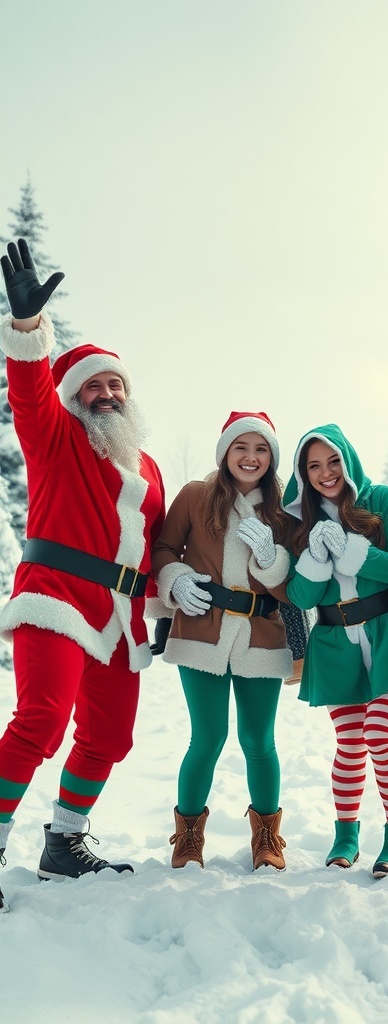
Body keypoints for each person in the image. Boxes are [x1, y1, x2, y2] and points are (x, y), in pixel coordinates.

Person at [0, 239, 165, 913]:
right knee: (41, 718)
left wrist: (169, 593)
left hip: (119, 617)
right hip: (56, 599)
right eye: (93, 386)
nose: (106, 393)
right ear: (76, 398)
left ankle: (64, 843)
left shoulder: (148, 468)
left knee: (109, 739)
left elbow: (151, 549)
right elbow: (31, 395)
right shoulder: (57, 438)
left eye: (115, 384)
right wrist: (28, 329)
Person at [283, 425, 388, 877]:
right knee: (350, 742)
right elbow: (301, 598)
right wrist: (314, 560)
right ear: (303, 474)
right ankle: (346, 836)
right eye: (314, 466)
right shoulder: (299, 522)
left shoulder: (380, 500)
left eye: (333, 461)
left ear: (348, 461)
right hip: (336, 645)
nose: (326, 473)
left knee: (381, 733)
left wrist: (352, 552)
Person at [152, 411, 293, 872]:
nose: (250, 457)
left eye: (260, 449)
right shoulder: (195, 496)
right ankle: (188, 837)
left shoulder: (286, 509)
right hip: (202, 630)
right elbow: (164, 549)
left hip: (262, 635)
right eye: (241, 448)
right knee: (207, 737)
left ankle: (267, 836)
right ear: (225, 453)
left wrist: (272, 559)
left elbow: (293, 584)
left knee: (258, 740)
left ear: (270, 458)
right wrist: (174, 579)